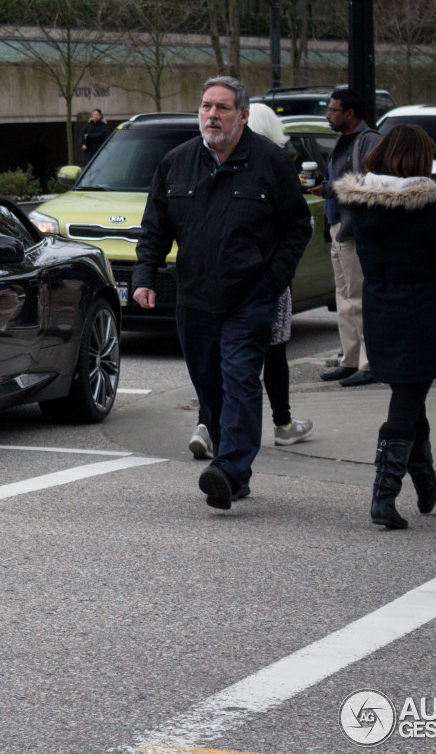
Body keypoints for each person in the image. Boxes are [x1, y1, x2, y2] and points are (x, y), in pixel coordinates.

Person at [133, 76, 312, 510]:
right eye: (206, 106)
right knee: (209, 385)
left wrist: (272, 283)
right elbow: (155, 227)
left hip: (249, 298)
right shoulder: (176, 162)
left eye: (223, 108)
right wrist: (144, 276)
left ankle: (230, 470)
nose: (212, 115)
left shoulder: (270, 162)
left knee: (240, 381)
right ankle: (231, 466)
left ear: (244, 115)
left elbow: (297, 227)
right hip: (194, 298)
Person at [333, 124, 436, 529]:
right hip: (422, 315)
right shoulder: (429, 205)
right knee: (405, 404)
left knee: (410, 396)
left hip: (381, 311)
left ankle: (428, 484)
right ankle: (383, 498)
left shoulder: (363, 204)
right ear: (419, 159)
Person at [188, 102, 313, 460]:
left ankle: (206, 424)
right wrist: (275, 279)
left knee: (219, 359)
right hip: (264, 280)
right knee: (269, 352)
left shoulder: (218, 163)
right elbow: (294, 224)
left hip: (224, 280)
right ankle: (282, 423)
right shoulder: (274, 163)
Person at [316, 89, 382, 387]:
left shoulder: (369, 140)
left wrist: (329, 189)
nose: (328, 115)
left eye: (333, 110)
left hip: (355, 230)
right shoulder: (344, 141)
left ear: (350, 114)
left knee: (358, 297)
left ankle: (370, 363)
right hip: (338, 227)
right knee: (344, 299)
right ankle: (351, 359)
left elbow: (369, 184)